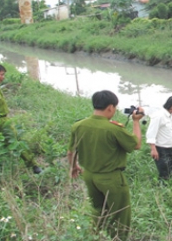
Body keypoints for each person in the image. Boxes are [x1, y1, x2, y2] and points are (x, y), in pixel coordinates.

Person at [67, 90, 143, 240]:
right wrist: (135, 122)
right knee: (120, 213)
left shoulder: (78, 125)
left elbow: (70, 152)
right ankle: (118, 238)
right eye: (115, 108)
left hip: (89, 176)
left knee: (97, 209)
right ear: (110, 107)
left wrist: (74, 167)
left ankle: (94, 235)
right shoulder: (113, 129)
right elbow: (137, 144)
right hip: (111, 178)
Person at [0, 63, 42, 174]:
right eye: (1, 75)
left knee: (9, 143)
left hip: (3, 119)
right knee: (15, 142)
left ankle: (1, 165)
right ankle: (34, 166)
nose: (3, 77)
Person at [146, 95, 172, 181]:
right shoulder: (159, 116)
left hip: (168, 148)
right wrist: (153, 149)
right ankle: (161, 189)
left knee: (171, 169)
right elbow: (151, 133)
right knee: (164, 172)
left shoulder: (168, 115)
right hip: (161, 149)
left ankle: (168, 188)